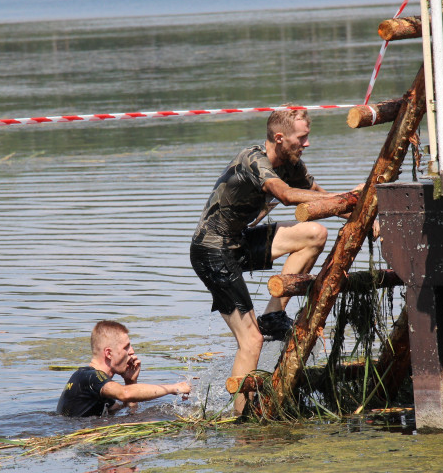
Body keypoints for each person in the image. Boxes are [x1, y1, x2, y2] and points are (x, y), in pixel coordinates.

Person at [189, 106, 354, 415]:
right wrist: (349, 194)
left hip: (237, 243)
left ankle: (273, 316)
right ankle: (241, 415)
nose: (307, 144)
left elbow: (322, 196)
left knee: (315, 233)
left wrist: (360, 210)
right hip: (211, 251)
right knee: (251, 341)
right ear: (280, 138)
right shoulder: (254, 160)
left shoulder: (292, 164)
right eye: (301, 138)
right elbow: (288, 196)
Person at [57, 320, 191, 417]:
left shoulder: (94, 384)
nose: (131, 351)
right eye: (126, 347)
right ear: (108, 353)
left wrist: (130, 382)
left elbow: (129, 413)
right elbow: (125, 394)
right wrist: (173, 388)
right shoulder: (91, 377)